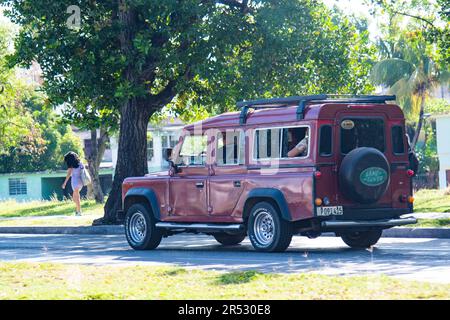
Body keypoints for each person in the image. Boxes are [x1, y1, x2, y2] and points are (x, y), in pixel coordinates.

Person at [62, 151, 84, 216]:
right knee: (74, 198)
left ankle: (79, 211)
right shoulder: (80, 163)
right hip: (80, 181)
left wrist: (64, 183)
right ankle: (77, 210)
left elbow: (68, 175)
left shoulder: (71, 166)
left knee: (76, 198)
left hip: (75, 182)